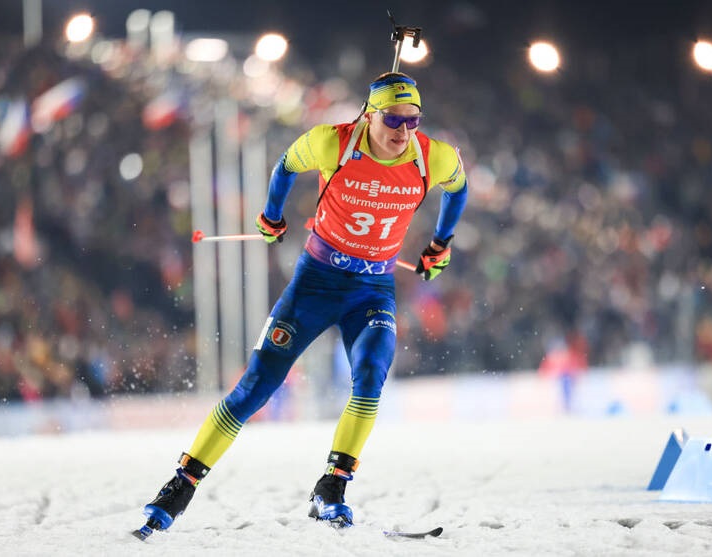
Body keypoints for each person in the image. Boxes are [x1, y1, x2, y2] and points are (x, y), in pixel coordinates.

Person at [139, 71, 468, 533]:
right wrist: (271, 216)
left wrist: (441, 243)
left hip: (372, 289)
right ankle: (181, 484)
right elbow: (285, 166)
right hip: (315, 282)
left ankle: (332, 487)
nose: (403, 130)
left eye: (412, 120)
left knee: (371, 376)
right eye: (393, 119)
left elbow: (459, 187)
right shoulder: (332, 143)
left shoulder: (433, 156)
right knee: (257, 386)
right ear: (369, 115)